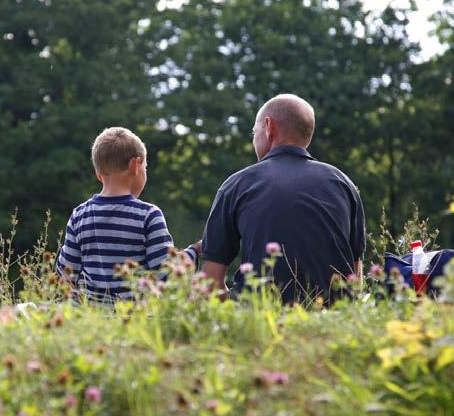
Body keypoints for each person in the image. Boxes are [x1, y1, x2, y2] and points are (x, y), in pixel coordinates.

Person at [201, 93, 365, 304]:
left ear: (269, 127)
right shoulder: (344, 185)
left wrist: (238, 324)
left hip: (261, 325)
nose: (253, 139)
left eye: (254, 131)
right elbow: (356, 274)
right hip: (333, 325)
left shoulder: (237, 185)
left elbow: (211, 282)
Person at [57, 126, 201, 301]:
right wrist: (195, 250)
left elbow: (65, 275)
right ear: (135, 165)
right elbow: (166, 274)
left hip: (89, 321)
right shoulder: (148, 215)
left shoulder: (79, 215)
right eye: (145, 168)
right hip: (132, 321)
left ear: (98, 174)